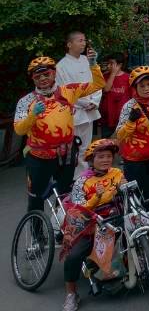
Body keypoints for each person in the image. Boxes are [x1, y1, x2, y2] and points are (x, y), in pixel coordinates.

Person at [16, 54, 106, 211]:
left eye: (47, 74)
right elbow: (19, 129)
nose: (43, 79)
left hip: (66, 154)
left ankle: (61, 230)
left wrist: (93, 64)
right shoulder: (26, 101)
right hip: (39, 156)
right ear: (32, 79)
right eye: (38, 76)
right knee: (36, 198)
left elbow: (98, 84)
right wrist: (32, 116)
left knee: (65, 195)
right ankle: (37, 235)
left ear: (54, 73)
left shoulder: (68, 91)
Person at [61, 138, 125, 311]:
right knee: (74, 255)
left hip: (116, 217)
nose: (106, 160)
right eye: (101, 157)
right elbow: (79, 208)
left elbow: (124, 193)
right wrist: (97, 198)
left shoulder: (117, 173)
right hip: (89, 224)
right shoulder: (82, 181)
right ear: (91, 160)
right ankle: (71, 294)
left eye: (109, 156)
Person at [114, 66, 149, 204]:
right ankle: (138, 222)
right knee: (135, 195)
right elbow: (120, 135)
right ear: (134, 87)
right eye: (142, 85)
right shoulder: (129, 106)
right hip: (134, 160)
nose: (146, 88)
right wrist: (131, 121)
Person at [56, 32, 102, 153]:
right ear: (69, 44)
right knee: (74, 149)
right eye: (80, 40)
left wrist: (94, 101)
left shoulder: (89, 61)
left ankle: (86, 172)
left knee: (87, 148)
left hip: (90, 109)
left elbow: (98, 82)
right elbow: (63, 90)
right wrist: (84, 103)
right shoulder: (60, 66)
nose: (83, 43)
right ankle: (75, 172)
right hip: (74, 111)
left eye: (84, 40)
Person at [98, 53, 129, 137]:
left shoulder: (128, 78)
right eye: (108, 63)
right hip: (107, 117)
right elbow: (106, 89)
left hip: (122, 118)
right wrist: (113, 74)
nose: (108, 66)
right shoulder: (105, 76)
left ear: (119, 65)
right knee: (106, 143)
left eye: (111, 63)